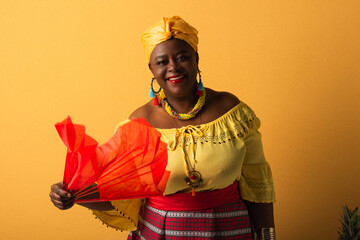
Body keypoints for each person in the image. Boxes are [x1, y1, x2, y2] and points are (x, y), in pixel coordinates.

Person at [49, 16, 276, 240]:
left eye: (182, 57)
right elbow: (118, 193)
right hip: (161, 231)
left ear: (196, 59)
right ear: (152, 69)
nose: (173, 67)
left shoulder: (232, 112)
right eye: (162, 62)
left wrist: (268, 236)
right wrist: (73, 194)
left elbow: (258, 181)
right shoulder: (139, 123)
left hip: (230, 228)